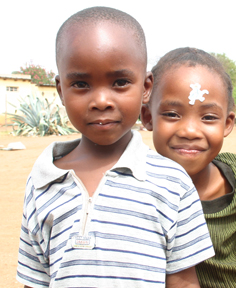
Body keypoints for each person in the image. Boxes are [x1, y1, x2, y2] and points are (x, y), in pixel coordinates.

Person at [16, 7, 214, 288]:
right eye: (81, 84)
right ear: (61, 90)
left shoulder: (172, 183)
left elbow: (183, 282)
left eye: (120, 82)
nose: (101, 101)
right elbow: (34, 281)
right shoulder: (41, 184)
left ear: (146, 87)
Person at [141, 47, 236, 287]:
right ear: (147, 117)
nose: (190, 131)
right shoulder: (140, 192)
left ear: (227, 123)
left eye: (209, 117)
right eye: (171, 114)